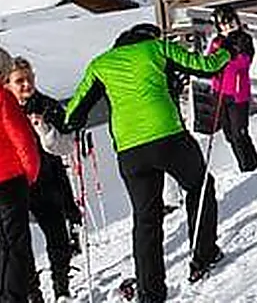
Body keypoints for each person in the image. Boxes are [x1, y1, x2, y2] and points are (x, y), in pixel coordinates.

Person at [63, 24, 229, 303]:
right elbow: (206, 66)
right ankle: (203, 255)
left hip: (130, 152)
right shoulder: (157, 48)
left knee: (146, 218)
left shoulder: (100, 64)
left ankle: (151, 292)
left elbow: (74, 114)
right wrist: (226, 52)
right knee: (200, 187)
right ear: (149, 37)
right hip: (168, 137)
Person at [3, 59, 79, 301]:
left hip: (47, 179)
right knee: (17, 245)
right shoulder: (5, 104)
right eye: (19, 81)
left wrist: (45, 131)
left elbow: (67, 145)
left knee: (57, 234)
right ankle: (33, 292)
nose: (26, 85)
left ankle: (61, 288)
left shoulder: (47, 106)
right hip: (14, 184)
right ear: (7, 83)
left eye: (30, 79)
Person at [0, 48, 39, 303]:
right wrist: (30, 174)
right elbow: (22, 138)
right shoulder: (3, 98)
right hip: (9, 180)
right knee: (17, 245)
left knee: (2, 247)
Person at [205, 6, 257, 173]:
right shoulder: (217, 41)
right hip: (220, 92)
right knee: (228, 133)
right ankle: (243, 165)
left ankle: (250, 167)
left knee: (239, 133)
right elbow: (209, 62)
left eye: (230, 22)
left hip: (237, 94)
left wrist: (227, 56)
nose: (227, 26)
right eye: (223, 24)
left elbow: (244, 63)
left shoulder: (244, 39)